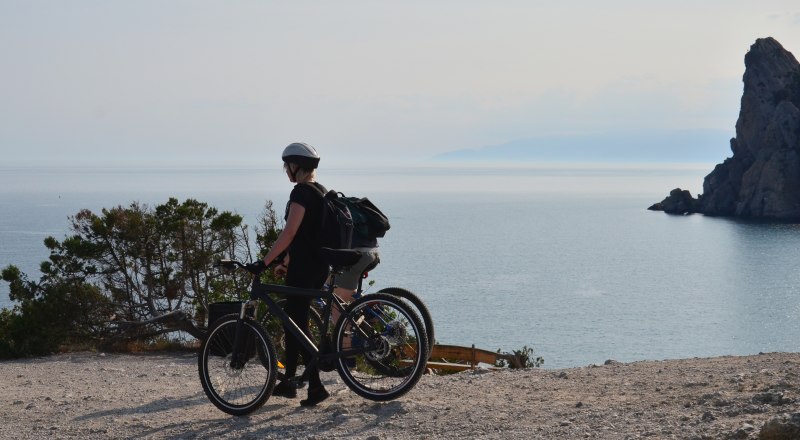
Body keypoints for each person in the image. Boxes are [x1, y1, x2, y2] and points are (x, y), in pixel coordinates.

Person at [251, 142, 330, 407]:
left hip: (305, 269)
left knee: (298, 326)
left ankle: (315, 387)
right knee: (294, 323)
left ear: (296, 166)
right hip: (316, 267)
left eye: (287, 165)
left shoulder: (301, 193)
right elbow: (309, 236)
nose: (286, 170)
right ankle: (291, 383)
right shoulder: (320, 191)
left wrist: (264, 262)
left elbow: (290, 233)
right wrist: (286, 259)